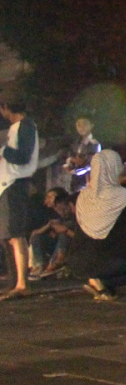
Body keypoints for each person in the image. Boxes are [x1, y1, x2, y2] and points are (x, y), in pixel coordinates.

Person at [69, 151, 126, 300]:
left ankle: (102, 287)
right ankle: (105, 282)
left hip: (78, 262)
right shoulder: (121, 196)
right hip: (109, 262)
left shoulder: (83, 196)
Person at [0, 99, 40, 298]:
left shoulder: (25, 127)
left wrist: (2, 149)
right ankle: (15, 281)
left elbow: (22, 157)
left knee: (15, 234)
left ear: (5, 107)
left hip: (14, 184)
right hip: (8, 184)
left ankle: (22, 283)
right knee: (8, 236)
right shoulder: (20, 127)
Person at [29, 187, 73, 280]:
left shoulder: (73, 213)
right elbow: (35, 233)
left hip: (72, 245)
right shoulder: (51, 213)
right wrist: (48, 227)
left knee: (63, 235)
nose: (47, 199)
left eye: (50, 196)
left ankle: (55, 263)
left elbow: (79, 236)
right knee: (38, 237)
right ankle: (39, 264)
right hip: (57, 244)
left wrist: (65, 230)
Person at [65, 116, 100, 193]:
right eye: (78, 125)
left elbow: (92, 163)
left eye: (84, 124)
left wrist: (79, 164)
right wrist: (69, 164)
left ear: (91, 125)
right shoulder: (76, 142)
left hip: (89, 179)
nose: (81, 127)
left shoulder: (95, 142)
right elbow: (70, 157)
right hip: (76, 180)